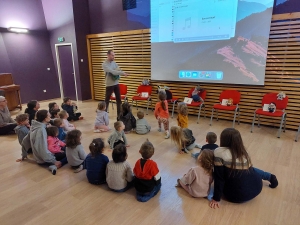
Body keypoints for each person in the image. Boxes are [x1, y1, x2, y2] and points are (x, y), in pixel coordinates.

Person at [210, 128, 278, 209]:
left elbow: (219, 178)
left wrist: (216, 198)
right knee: (249, 169)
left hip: (233, 195)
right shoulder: (244, 152)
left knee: (218, 171)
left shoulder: (218, 152)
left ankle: (269, 176)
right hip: (256, 188)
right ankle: (269, 176)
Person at [30, 110, 67, 175]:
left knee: (66, 148)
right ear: (45, 118)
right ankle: (55, 165)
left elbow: (25, 140)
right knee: (70, 154)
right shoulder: (41, 130)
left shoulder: (35, 125)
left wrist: (23, 154)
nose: (50, 116)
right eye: (49, 115)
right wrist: (53, 161)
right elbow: (42, 149)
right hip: (44, 159)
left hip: (42, 155)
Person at [102, 50, 129, 119]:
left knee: (119, 99)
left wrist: (122, 72)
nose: (114, 56)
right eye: (112, 55)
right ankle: (104, 116)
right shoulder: (104, 64)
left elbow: (118, 69)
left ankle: (119, 116)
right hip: (109, 84)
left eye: (114, 55)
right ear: (108, 55)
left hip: (116, 83)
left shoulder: (114, 63)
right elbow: (113, 72)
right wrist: (122, 73)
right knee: (107, 100)